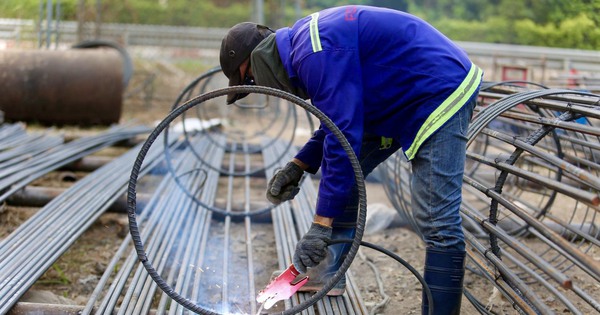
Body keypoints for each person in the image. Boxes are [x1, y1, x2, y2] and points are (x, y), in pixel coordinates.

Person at [219, 5, 482, 315]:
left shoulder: (313, 55)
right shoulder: (304, 47)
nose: (258, 89)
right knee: (343, 168)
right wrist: (299, 165)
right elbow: (336, 122)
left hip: (437, 90)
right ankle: (326, 275)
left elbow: (341, 136)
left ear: (258, 59)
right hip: (394, 97)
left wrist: (320, 226)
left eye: (250, 81)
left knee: (437, 219)